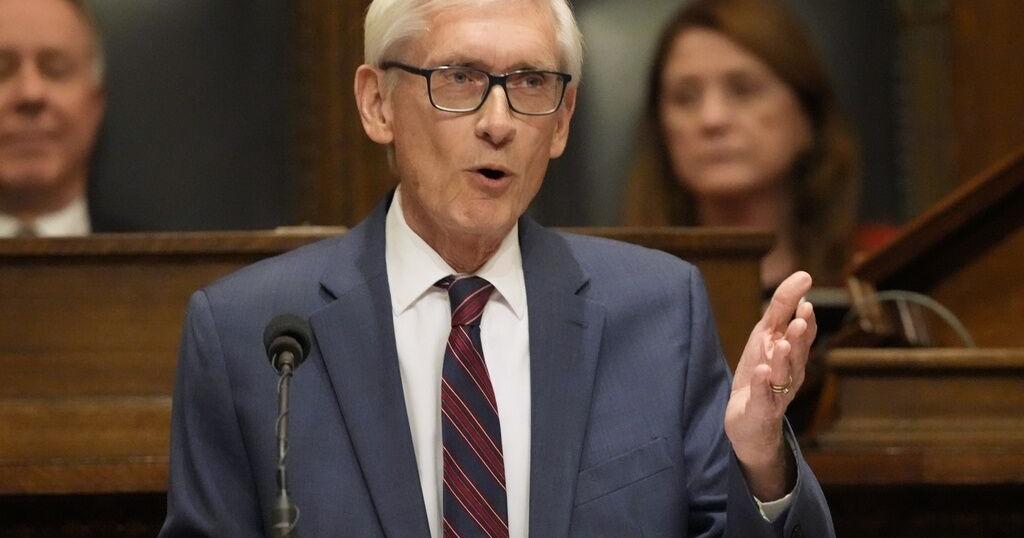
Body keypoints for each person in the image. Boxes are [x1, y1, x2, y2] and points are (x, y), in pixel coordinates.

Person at [160, 0, 833, 536]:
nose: (498, 122)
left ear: (563, 119)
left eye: (531, 83)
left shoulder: (658, 311)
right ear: (377, 103)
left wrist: (759, 462)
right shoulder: (250, 334)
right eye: (459, 79)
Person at [623, 0, 859, 289]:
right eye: (685, 97)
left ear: (808, 117)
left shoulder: (880, 275)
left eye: (743, 90)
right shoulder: (621, 288)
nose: (712, 119)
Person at [0, 0, 105, 237]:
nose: (30, 93)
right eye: (1, 70)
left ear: (95, 104)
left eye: (55, 69)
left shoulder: (171, 270)